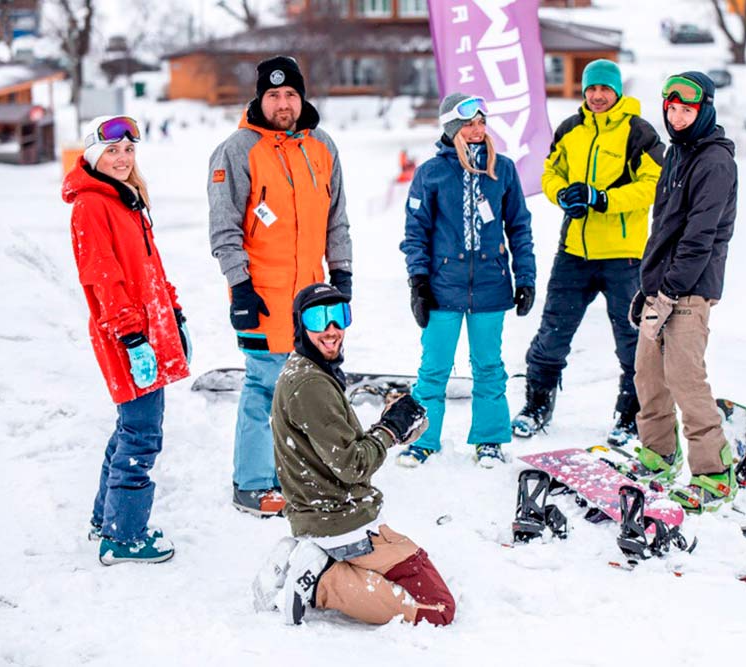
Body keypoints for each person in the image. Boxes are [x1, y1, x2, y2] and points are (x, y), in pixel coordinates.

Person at [252, 283, 455, 627]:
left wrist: (390, 427)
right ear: (300, 325)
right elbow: (351, 464)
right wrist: (389, 431)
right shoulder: (311, 384)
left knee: (417, 568)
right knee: (437, 608)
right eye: (318, 318)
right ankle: (320, 581)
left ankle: (314, 558)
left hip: (330, 510)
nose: (331, 329)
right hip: (341, 520)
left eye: (339, 316)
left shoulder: (306, 370)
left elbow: (337, 449)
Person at [208, 55, 352, 517]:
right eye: (274, 95)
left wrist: (341, 273)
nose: (283, 103)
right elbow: (224, 228)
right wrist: (240, 286)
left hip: (310, 298)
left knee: (306, 388)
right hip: (261, 294)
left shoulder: (322, 145)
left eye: (290, 94)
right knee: (263, 387)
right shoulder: (238, 150)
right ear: (260, 98)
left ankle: (295, 477)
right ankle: (251, 483)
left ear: (301, 96)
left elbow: (337, 219)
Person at [511, 59, 664, 444]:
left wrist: (601, 199)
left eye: (604, 89)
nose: (597, 96)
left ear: (617, 92)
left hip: (624, 256)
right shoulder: (570, 130)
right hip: (574, 251)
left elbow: (653, 185)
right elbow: (550, 172)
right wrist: (561, 194)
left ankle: (629, 417)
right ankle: (537, 405)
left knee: (632, 341)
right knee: (552, 333)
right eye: (591, 89)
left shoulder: (639, 133)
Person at [63, 115, 191, 564]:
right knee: (141, 433)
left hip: (150, 329)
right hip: (127, 335)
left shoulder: (127, 200)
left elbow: (150, 269)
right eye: (112, 151)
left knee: (130, 428)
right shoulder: (91, 206)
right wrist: (134, 337)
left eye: (128, 150)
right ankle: (123, 535)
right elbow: (103, 279)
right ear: (95, 155)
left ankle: (107, 518)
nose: (122, 158)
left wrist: (174, 313)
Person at [399, 93, 536, 468]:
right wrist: (419, 282)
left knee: (489, 367)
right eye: (468, 124)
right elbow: (416, 232)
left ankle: (489, 440)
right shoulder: (432, 172)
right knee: (434, 369)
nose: (477, 130)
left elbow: (519, 227)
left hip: (491, 287)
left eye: (481, 122)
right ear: (451, 128)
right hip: (443, 288)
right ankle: (423, 439)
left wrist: (525, 277)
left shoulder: (502, 169)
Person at [622, 72, 738, 512]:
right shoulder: (676, 154)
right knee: (648, 377)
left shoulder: (714, 162)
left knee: (685, 381)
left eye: (687, 110)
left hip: (690, 290)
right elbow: (662, 229)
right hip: (663, 286)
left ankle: (714, 475)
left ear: (704, 110)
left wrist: (668, 292)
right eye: (671, 109)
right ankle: (658, 456)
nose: (677, 117)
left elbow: (699, 237)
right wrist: (648, 288)